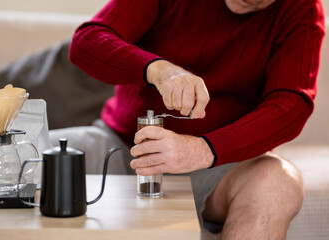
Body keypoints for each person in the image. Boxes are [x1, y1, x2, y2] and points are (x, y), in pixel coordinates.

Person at [57, 0, 325, 239]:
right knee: (25, 154)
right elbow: (87, 41)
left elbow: (291, 105)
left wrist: (204, 150)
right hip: (116, 144)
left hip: (219, 168)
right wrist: (157, 69)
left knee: (279, 184)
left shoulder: (301, 8)